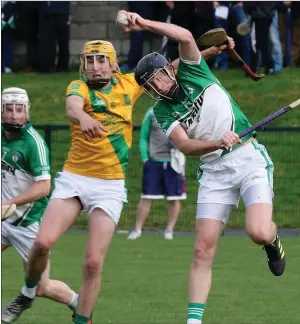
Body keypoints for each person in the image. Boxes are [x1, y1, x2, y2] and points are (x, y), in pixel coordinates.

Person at [5, 37, 236, 324]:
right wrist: (83, 118)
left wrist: (209, 51)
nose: (95, 66)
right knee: (41, 243)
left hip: (110, 184)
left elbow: (171, 67)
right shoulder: (78, 87)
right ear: (83, 66)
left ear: (113, 64)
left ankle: (83, 320)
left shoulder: (129, 84)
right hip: (75, 178)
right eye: (90, 61)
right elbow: (72, 107)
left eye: (101, 60)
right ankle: (29, 292)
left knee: (93, 262)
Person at [119, 10, 286, 324]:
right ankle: (193, 322)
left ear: (169, 69)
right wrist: (216, 143)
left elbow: (183, 35)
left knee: (258, 231)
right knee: (202, 251)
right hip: (214, 170)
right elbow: (184, 146)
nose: (158, 84)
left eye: (158, 75)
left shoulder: (193, 70)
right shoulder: (161, 112)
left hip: (248, 158)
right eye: (150, 83)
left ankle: (273, 241)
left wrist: (145, 24)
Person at [1, 87, 79, 323]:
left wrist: (9, 203)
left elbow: (44, 187)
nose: (14, 115)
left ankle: (80, 304)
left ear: (27, 112)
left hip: (30, 223)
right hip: (4, 219)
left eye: (19, 109)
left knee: (42, 288)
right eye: (9, 109)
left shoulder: (34, 143)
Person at [127, 106, 186, 240]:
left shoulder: (182, 112)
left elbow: (190, 135)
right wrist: (145, 159)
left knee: (175, 198)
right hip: (154, 161)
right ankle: (137, 229)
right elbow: (143, 136)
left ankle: (169, 231)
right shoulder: (152, 112)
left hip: (175, 162)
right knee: (146, 197)